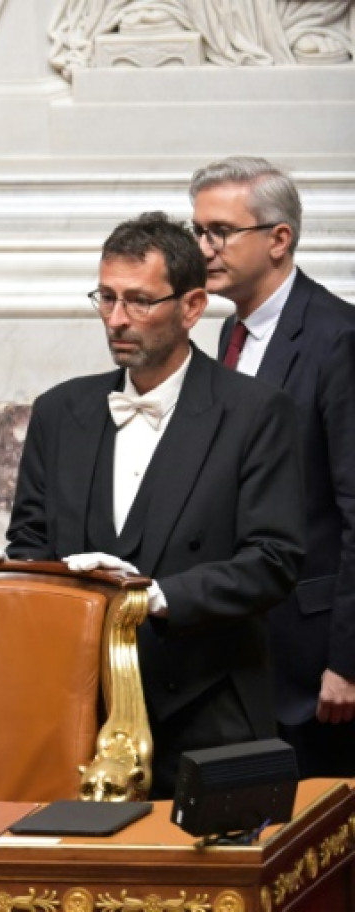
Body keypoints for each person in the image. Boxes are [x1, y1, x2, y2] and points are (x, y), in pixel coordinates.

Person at [5, 211, 304, 797]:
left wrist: (156, 598)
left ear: (192, 307)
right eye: (107, 298)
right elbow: (29, 546)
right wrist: (47, 579)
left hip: (212, 717)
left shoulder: (255, 414)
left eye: (140, 302)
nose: (116, 319)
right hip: (79, 718)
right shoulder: (59, 412)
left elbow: (274, 560)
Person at [190, 156, 355, 777]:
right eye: (198, 231)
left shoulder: (337, 338)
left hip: (316, 665)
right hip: (241, 655)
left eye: (220, 232)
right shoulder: (227, 338)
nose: (204, 249)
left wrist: (349, 660)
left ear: (278, 239)